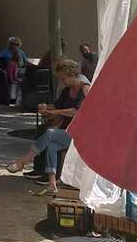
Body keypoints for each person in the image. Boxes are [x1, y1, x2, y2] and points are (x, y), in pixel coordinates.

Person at [6, 59, 90, 194]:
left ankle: (23, 161)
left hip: (83, 133)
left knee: (50, 133)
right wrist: (46, 108)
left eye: (64, 78)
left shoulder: (85, 88)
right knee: (51, 145)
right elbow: (57, 106)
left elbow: (78, 111)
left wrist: (54, 112)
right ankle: (52, 184)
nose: (62, 82)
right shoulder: (67, 91)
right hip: (68, 131)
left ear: (73, 75)